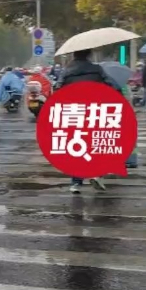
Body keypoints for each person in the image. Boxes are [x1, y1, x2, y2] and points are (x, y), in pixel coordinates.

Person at [55, 49, 114, 194]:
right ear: (89, 55)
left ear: (74, 55)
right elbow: (111, 86)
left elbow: (57, 89)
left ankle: (76, 182)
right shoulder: (97, 69)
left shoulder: (66, 71)